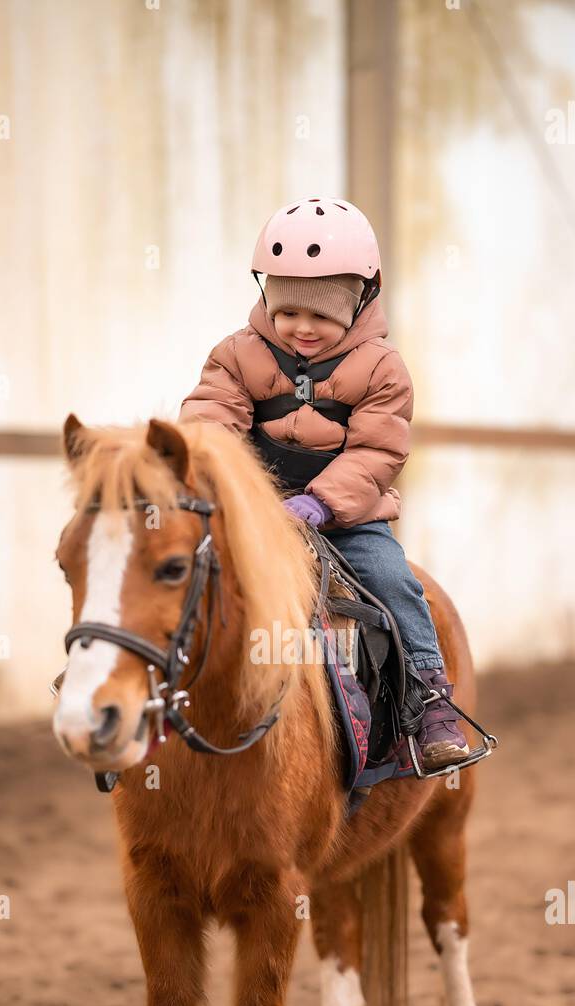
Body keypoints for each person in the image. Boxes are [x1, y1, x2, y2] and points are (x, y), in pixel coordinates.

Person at [179, 196, 468, 769]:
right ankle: (138, 679)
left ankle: (429, 699)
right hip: (256, 512)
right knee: (171, 569)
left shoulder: (383, 369)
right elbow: (211, 423)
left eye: (321, 314)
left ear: (359, 303)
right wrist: (235, 492)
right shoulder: (235, 356)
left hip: (347, 519)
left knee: (394, 581)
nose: (302, 329)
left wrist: (319, 504)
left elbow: (375, 451)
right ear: (268, 300)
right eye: (289, 312)